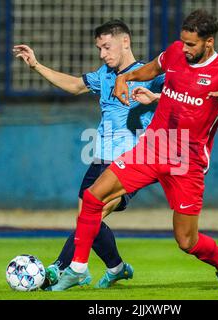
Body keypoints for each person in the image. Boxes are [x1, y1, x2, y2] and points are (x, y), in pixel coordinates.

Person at [54, 9, 218, 291]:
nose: (185, 48)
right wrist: (126, 78)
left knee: (186, 241)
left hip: (186, 161)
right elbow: (152, 69)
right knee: (93, 197)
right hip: (152, 148)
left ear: (209, 42)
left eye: (191, 44)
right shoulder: (175, 53)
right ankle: (77, 268)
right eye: (183, 41)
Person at [13, 20, 164, 290]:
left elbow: (179, 95)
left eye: (107, 47)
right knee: (86, 220)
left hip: (129, 162)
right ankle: (116, 268)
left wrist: (157, 98)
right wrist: (36, 65)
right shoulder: (104, 74)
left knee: (91, 217)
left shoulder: (148, 73)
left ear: (125, 42)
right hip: (100, 160)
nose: (102, 54)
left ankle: (62, 269)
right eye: (99, 48)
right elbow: (74, 85)